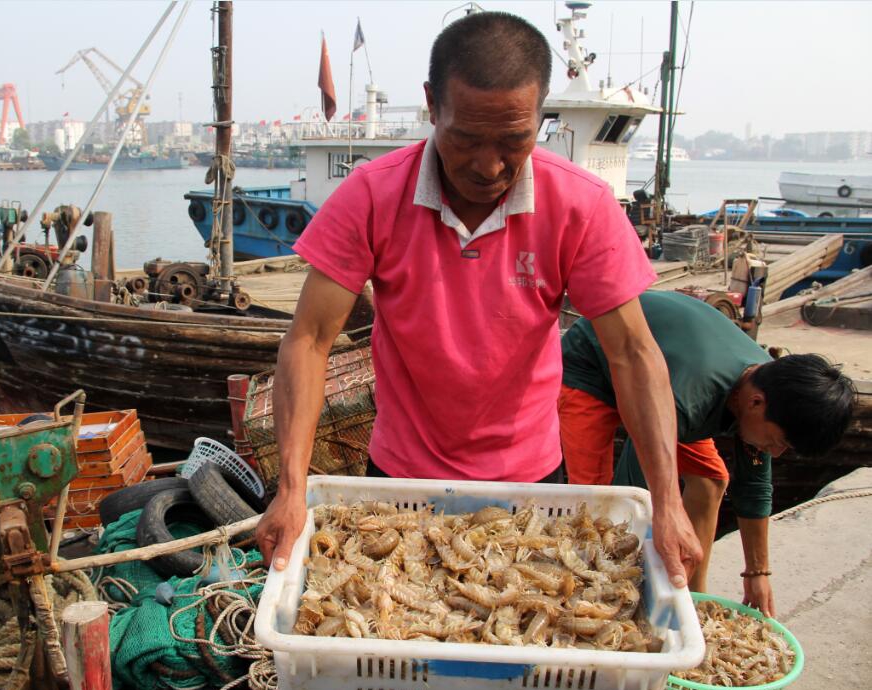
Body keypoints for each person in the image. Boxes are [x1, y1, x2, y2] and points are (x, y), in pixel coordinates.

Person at [256, 10, 704, 587]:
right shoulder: (370, 194)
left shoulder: (583, 206)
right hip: (398, 477)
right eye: (465, 138)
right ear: (432, 105)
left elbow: (634, 355)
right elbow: (310, 341)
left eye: (514, 141)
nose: (489, 166)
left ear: (541, 117)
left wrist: (666, 503)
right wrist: (292, 490)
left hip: (531, 480)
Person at [559, 290, 855, 616]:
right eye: (779, 442)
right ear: (755, 402)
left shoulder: (773, 389)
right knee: (599, 503)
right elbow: (635, 494)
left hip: (669, 382)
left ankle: (693, 598)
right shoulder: (692, 400)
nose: (778, 453)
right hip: (592, 364)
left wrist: (757, 573)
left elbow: (754, 487)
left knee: (711, 481)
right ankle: (597, 600)